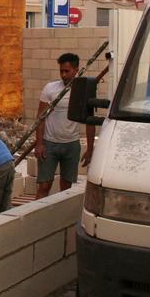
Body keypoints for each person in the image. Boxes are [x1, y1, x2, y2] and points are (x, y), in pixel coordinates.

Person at [34, 53, 95, 199]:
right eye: (61, 71)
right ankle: (36, 218)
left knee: (66, 188)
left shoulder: (83, 91)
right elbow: (40, 118)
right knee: (44, 185)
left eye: (67, 71)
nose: (63, 74)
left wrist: (90, 149)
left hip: (71, 145)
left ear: (76, 70)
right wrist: (40, 143)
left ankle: (61, 219)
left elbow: (89, 121)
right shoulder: (50, 89)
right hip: (50, 144)